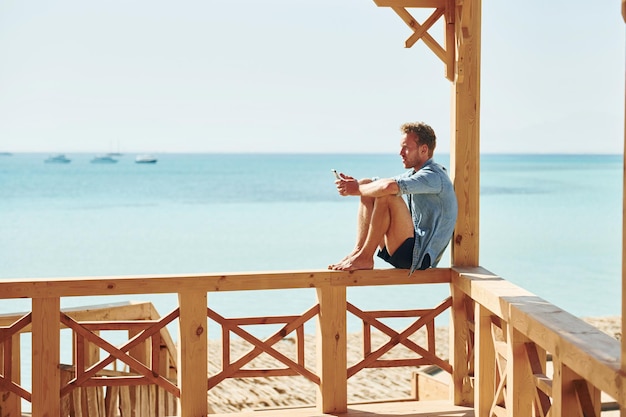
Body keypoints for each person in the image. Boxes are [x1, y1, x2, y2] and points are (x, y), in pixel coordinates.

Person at [328, 122, 458, 273]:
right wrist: (356, 185)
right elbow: (378, 185)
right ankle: (358, 252)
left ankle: (365, 257)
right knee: (368, 184)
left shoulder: (434, 176)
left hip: (418, 257)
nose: (401, 153)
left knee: (387, 193)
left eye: (406, 148)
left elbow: (388, 188)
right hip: (405, 248)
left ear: (424, 150)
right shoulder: (414, 174)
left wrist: (356, 189)